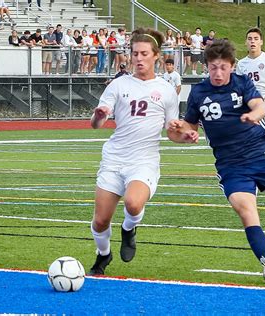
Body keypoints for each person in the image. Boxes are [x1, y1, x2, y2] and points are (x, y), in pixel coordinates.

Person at [167, 39, 265, 285]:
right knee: (246, 210)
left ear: (232, 66)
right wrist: (182, 131)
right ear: (207, 68)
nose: (218, 73)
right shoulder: (199, 93)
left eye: (223, 67)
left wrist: (254, 114)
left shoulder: (243, 83)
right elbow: (189, 127)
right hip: (230, 165)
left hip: (261, 155)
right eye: (213, 68)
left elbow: (259, 106)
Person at [87, 28, 179, 275]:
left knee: (134, 203)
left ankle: (129, 229)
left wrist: (185, 135)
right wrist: (98, 116)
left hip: (144, 160)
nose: (138, 58)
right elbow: (96, 124)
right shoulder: (118, 85)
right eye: (135, 53)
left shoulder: (167, 91)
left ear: (156, 56)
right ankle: (103, 255)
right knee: (100, 220)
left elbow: (171, 131)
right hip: (115, 158)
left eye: (144, 54)